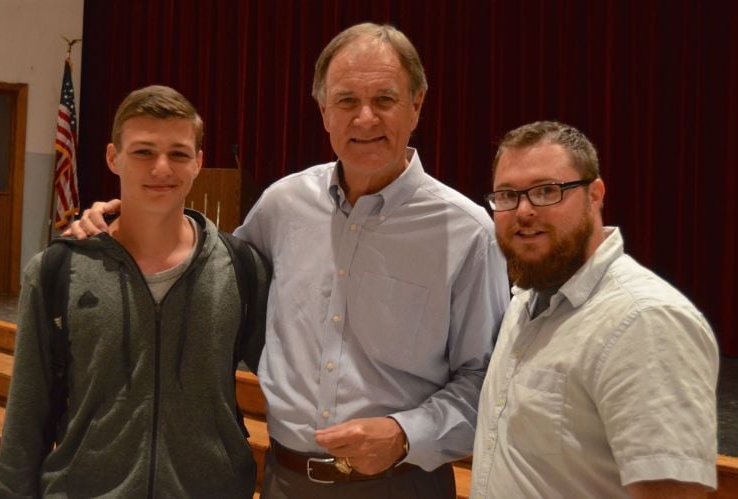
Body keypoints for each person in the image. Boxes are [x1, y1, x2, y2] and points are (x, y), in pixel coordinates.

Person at [66, 23, 511, 498]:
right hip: (285, 479)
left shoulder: (468, 233)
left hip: (402, 483)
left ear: (417, 105)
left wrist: (405, 435)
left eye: (384, 99)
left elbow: (488, 382)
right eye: (346, 100)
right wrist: (123, 224)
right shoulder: (283, 205)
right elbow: (206, 274)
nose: (365, 118)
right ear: (323, 111)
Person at [0, 85, 270, 498]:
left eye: (178, 153)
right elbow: (26, 417)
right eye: (143, 152)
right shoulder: (57, 270)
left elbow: (290, 381)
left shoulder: (241, 268)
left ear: (198, 162)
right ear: (113, 157)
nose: (161, 168)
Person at [471, 120, 719, 498]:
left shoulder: (645, 320)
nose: (523, 211)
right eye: (507, 195)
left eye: (546, 191)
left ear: (595, 195)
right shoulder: (526, 298)